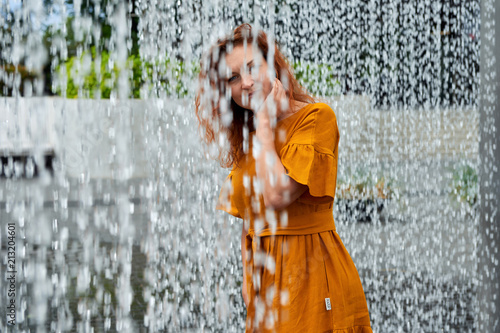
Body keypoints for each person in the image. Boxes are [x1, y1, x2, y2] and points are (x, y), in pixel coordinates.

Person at [195, 23, 372, 333]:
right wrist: (247, 280)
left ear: (273, 66)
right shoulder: (247, 135)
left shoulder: (316, 118)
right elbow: (251, 213)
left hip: (313, 273)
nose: (246, 83)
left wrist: (264, 126)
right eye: (233, 78)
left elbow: (278, 196)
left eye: (252, 68)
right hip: (266, 282)